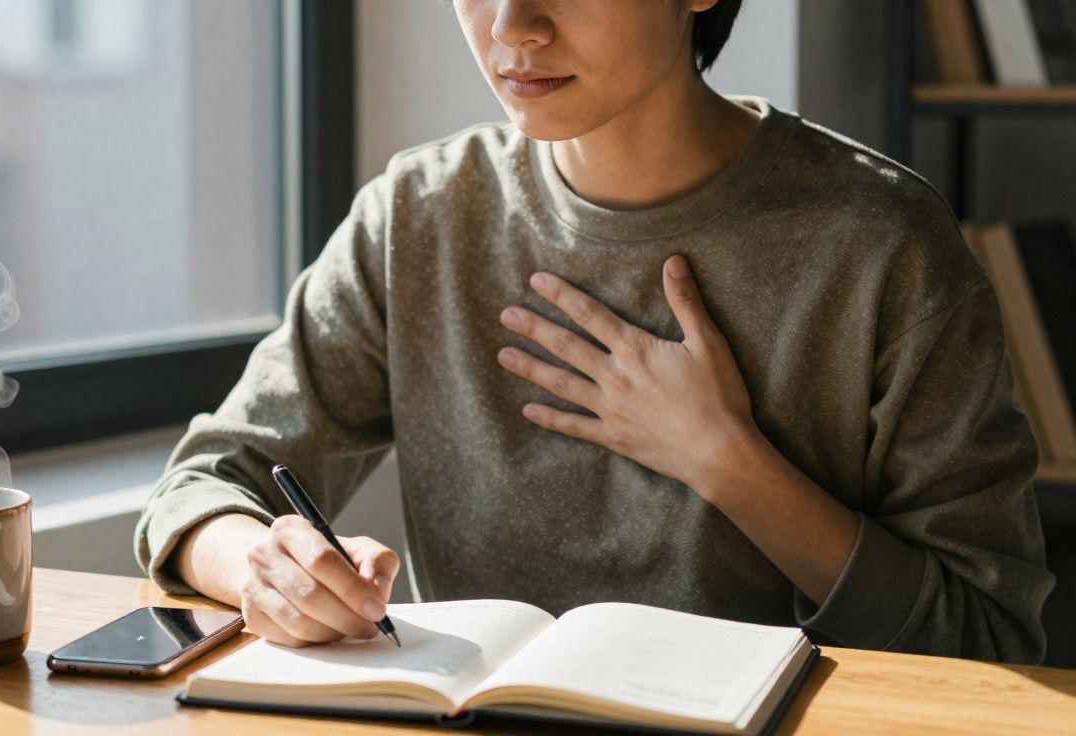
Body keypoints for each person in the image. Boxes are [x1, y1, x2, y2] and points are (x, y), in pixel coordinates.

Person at [135, 0, 1054, 663]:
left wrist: (727, 461)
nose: (512, 28)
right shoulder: (418, 216)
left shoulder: (883, 244)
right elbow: (204, 485)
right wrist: (264, 566)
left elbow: (985, 633)